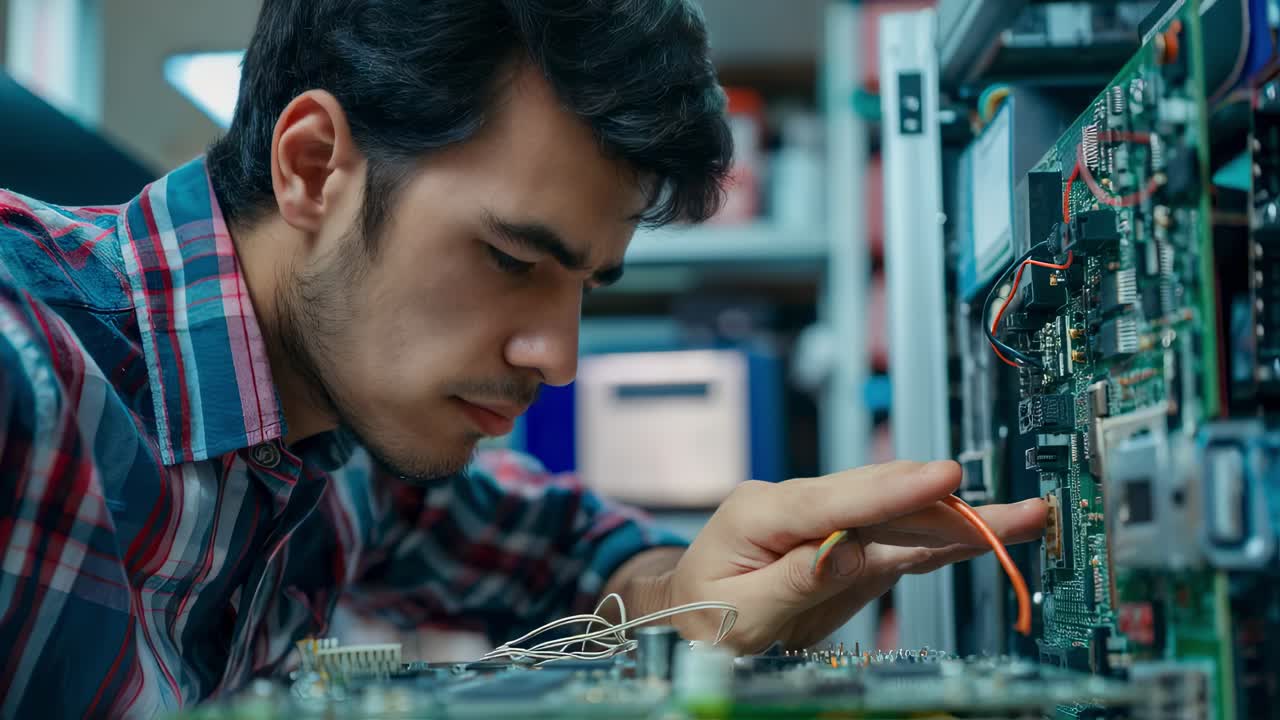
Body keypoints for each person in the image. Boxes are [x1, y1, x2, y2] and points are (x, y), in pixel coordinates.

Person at [0, 0, 1046, 716]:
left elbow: (579, 571)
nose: (556, 359)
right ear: (313, 166)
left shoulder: (334, 439)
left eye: (584, 285)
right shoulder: (25, 372)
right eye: (510, 258)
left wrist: (696, 598)